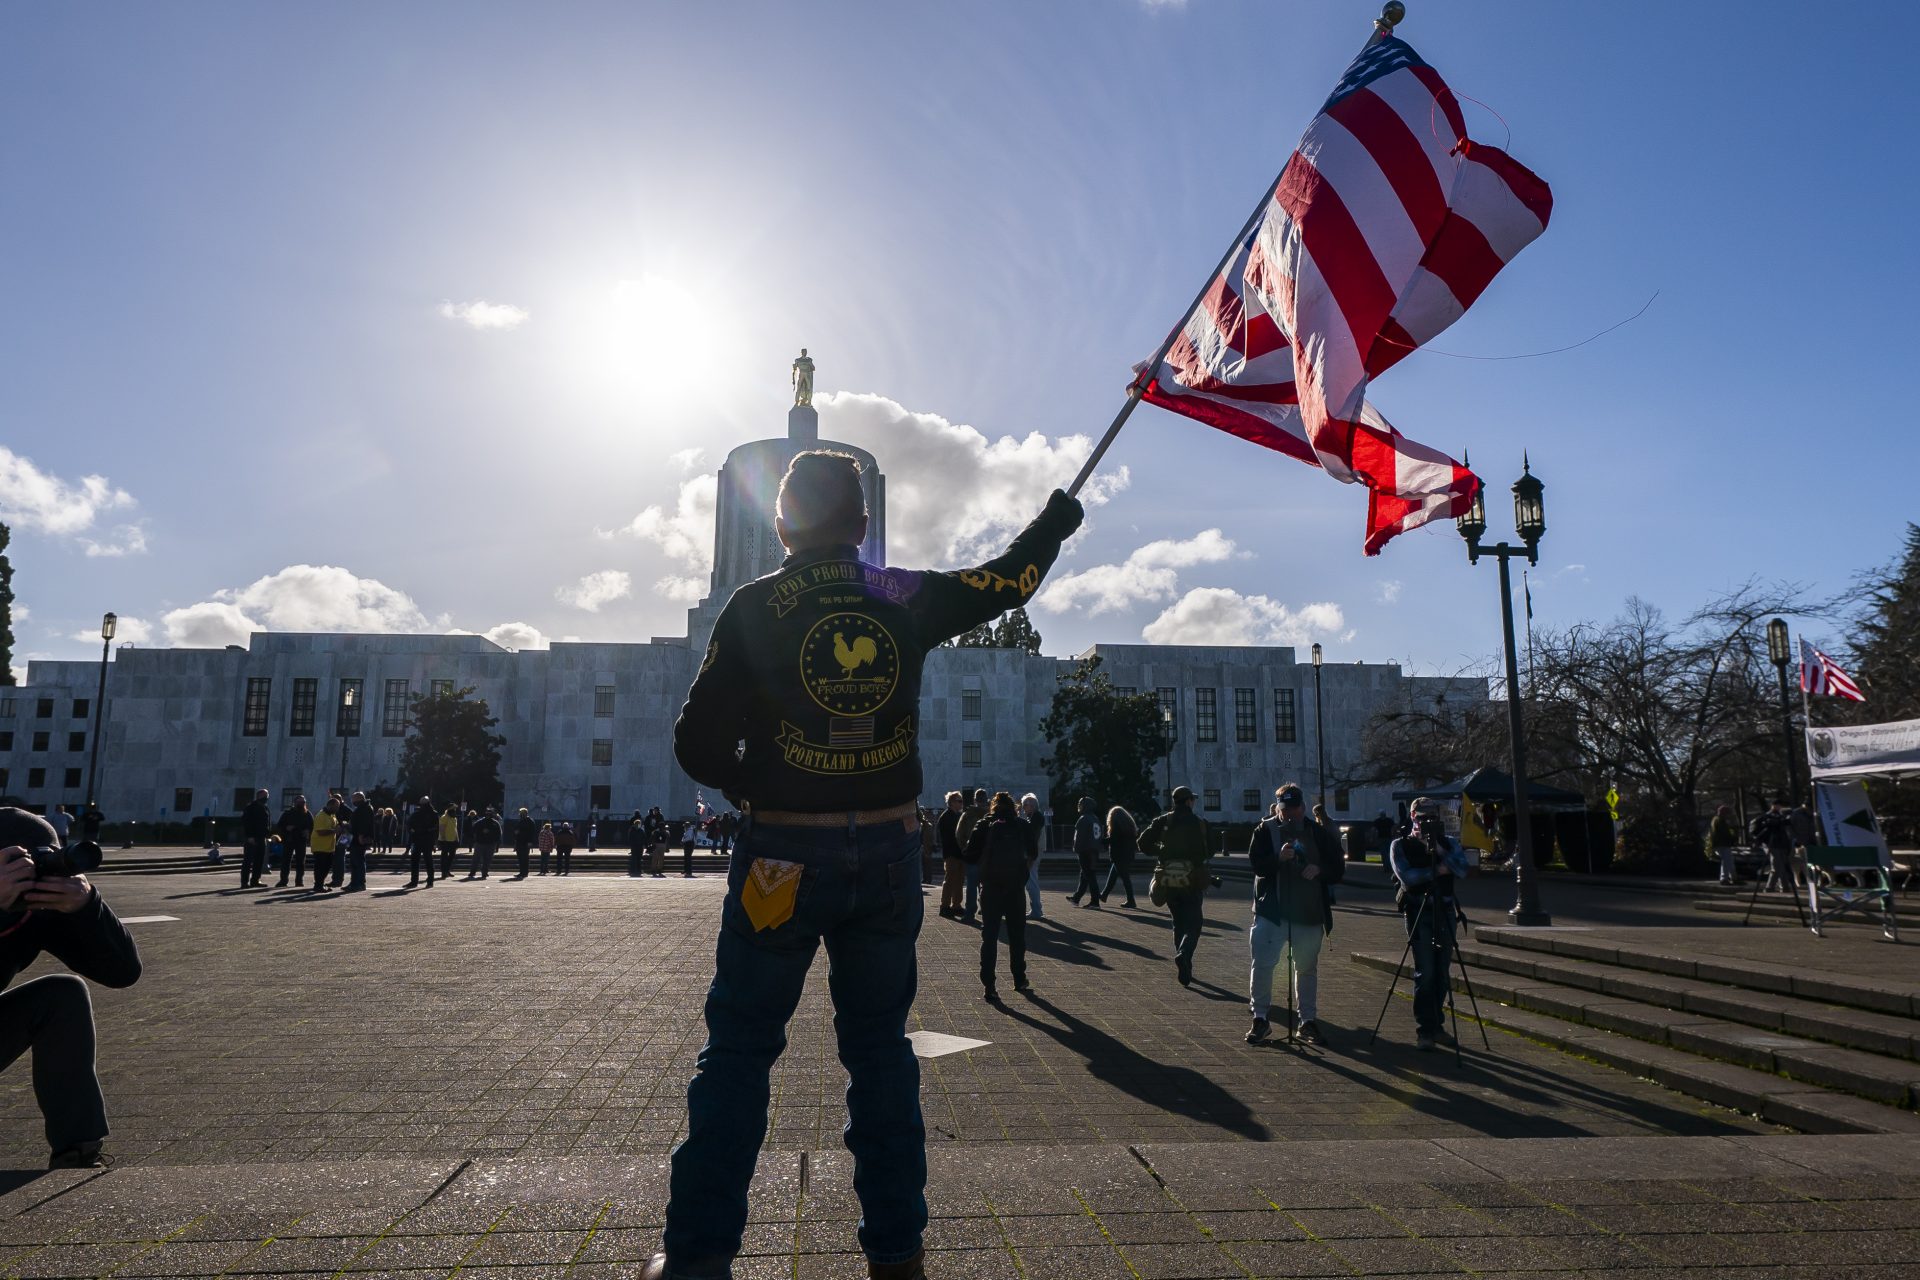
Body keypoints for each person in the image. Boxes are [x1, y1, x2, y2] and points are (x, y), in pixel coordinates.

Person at [640, 449, 1081, 1280]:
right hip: (885, 854)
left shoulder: (755, 605)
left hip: (779, 858)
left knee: (738, 1052)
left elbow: (694, 742)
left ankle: (698, 1257)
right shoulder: (902, 594)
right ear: (863, 526)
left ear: (780, 526)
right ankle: (895, 1254)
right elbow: (1009, 581)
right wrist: (1056, 520)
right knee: (880, 1053)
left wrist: (755, 781)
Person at [0, 808, 142, 1170]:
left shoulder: (36, 908)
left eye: (44, 859)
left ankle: (76, 1151)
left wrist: (87, 906)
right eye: (17, 861)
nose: (32, 872)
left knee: (63, 995)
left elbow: (122, 972)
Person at [1246, 783, 1343, 1044]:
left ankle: (1308, 1021)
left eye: (1295, 809)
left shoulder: (1318, 833)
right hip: (1272, 912)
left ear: (1302, 807)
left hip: (1309, 913)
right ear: (1277, 808)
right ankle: (1260, 1018)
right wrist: (1277, 859)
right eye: (1284, 809)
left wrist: (1319, 870)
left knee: (1307, 969)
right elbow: (1256, 865)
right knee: (1264, 965)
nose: (1290, 814)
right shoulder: (1265, 830)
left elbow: (1338, 868)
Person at [1388, 797, 1471, 1051]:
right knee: (1426, 972)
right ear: (1412, 816)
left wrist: (1440, 851)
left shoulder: (1449, 843)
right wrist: (1436, 870)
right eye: (1422, 817)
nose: (1427, 821)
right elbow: (1408, 878)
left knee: (1442, 973)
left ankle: (1437, 1025)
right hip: (1417, 910)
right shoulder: (1400, 845)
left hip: (1445, 909)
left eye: (1432, 817)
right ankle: (1425, 1029)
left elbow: (1463, 869)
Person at [967, 791, 1037, 1002]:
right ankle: (1019, 978)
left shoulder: (984, 824)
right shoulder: (1022, 825)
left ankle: (989, 985)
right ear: (1013, 807)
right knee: (1017, 936)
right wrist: (1021, 875)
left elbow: (969, 853)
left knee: (989, 936)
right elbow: (1032, 853)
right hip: (1015, 888)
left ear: (993, 806)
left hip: (990, 887)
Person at [1139, 785, 1212, 986]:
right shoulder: (1200, 823)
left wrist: (1162, 852)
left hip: (1169, 879)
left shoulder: (1164, 821)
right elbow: (1210, 850)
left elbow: (1142, 843)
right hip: (1192, 880)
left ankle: (1184, 963)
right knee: (1194, 923)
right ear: (1189, 801)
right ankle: (1184, 954)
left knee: (1178, 921)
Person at [956, 788, 987, 923]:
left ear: (975, 800)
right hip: (987, 856)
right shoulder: (991, 814)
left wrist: (964, 848)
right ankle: (986, 909)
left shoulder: (968, 814)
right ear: (986, 799)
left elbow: (959, 833)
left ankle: (969, 914)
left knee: (971, 885)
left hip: (972, 854)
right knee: (987, 885)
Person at [1066, 796, 1103, 908]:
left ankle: (1095, 902)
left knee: (1090, 876)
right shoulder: (1095, 818)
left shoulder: (1083, 819)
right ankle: (1076, 898)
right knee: (1085, 875)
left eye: (1080, 803)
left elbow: (1079, 837)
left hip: (1085, 850)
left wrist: (1076, 849)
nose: (1079, 805)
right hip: (1094, 850)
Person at [935, 791, 965, 919]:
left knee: (959, 880)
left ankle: (956, 905)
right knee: (950, 880)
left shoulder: (957, 815)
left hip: (959, 854)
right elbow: (950, 837)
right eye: (959, 801)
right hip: (952, 853)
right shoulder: (946, 817)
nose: (961, 803)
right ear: (952, 802)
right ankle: (945, 906)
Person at [1101, 805, 1138, 908]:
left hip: (1119, 855)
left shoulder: (1116, 825)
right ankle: (1104, 895)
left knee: (1125, 878)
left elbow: (1113, 839)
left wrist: (1100, 841)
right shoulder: (1129, 825)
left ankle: (1131, 901)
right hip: (1127, 855)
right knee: (1113, 876)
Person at [1017, 793, 1047, 919]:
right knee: (1031, 881)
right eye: (1023, 805)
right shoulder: (1033, 817)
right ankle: (1036, 909)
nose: (1024, 807)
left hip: (1033, 852)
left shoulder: (1036, 818)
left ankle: (1036, 910)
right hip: (1034, 851)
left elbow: (1032, 837)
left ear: (1033, 806)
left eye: (1026, 805)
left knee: (1031, 881)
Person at [276, 795, 314, 888]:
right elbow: (279, 826)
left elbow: (312, 826)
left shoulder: (307, 814)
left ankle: (299, 881)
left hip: (301, 840)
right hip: (289, 839)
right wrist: (286, 828)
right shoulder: (288, 813)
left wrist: (308, 831)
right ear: (295, 803)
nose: (302, 804)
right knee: (286, 861)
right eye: (300, 802)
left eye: (304, 802)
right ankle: (283, 880)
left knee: (300, 861)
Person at [239, 788, 272, 888]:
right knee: (248, 860)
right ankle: (244, 882)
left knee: (259, 860)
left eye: (267, 796)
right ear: (259, 796)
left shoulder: (265, 807)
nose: (266, 798)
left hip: (262, 837)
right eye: (265, 795)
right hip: (252, 838)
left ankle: (255, 880)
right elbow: (246, 822)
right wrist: (249, 836)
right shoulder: (251, 807)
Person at [344, 791, 376, 891]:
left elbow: (364, 824)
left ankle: (359, 883)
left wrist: (361, 836)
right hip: (356, 837)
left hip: (359, 838)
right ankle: (354, 883)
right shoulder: (363, 808)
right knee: (355, 861)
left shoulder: (365, 809)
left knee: (358, 861)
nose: (352, 801)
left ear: (358, 799)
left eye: (353, 799)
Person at [310, 796, 342, 890]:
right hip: (320, 846)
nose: (337, 809)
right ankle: (318, 885)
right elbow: (321, 832)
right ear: (330, 805)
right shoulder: (321, 816)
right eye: (336, 806)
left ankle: (320, 884)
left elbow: (335, 827)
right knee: (320, 867)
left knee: (327, 867)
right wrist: (334, 831)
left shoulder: (332, 815)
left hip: (329, 847)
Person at [406, 799, 440, 888]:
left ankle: (418, 881)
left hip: (423, 840)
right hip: (422, 840)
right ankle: (427, 881)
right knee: (425, 861)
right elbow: (409, 825)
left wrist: (413, 831)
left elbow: (435, 829)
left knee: (422, 861)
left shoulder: (430, 814)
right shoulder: (433, 814)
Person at [1709, 804, 1742, 886]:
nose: (1729, 815)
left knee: (1729, 861)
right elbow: (1725, 833)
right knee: (1727, 861)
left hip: (1720, 844)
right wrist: (1733, 839)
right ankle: (1724, 878)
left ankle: (1733, 877)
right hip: (1723, 844)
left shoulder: (1716, 820)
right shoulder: (1721, 821)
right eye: (1728, 813)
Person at [438, 805, 461, 880]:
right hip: (445, 840)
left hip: (453, 840)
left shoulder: (454, 818)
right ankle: (443, 872)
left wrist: (457, 838)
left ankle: (447, 870)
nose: (454, 810)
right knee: (444, 856)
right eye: (453, 808)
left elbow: (455, 829)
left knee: (451, 856)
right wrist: (443, 837)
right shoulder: (444, 817)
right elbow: (441, 828)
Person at [512, 807, 536, 879]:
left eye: (522, 813)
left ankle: (525, 872)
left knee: (525, 858)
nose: (521, 815)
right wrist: (515, 832)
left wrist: (530, 842)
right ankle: (521, 872)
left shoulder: (530, 821)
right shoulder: (520, 821)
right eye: (520, 813)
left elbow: (532, 832)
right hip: (519, 842)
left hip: (526, 842)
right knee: (520, 858)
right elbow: (515, 829)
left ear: (525, 813)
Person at [645, 806, 669, 877]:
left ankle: (658, 868)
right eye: (654, 810)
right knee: (656, 856)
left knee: (659, 857)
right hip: (656, 837)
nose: (655, 812)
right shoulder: (653, 816)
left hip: (658, 838)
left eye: (656, 810)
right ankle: (655, 868)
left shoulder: (660, 816)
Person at [627, 809, 648, 877]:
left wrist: (645, 844)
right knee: (634, 858)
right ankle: (633, 869)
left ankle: (639, 869)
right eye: (637, 824)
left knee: (639, 858)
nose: (638, 825)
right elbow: (630, 838)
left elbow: (644, 838)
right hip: (635, 846)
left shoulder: (641, 831)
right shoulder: (633, 830)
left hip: (639, 846)